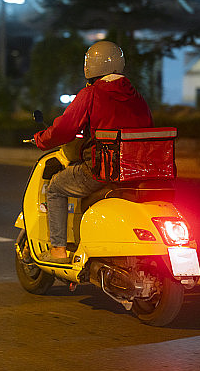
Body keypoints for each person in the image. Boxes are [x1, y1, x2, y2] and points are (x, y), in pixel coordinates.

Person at [32, 40, 153, 263]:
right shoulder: (137, 96)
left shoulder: (92, 94)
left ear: (90, 66)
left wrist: (40, 139)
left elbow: (65, 128)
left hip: (103, 170)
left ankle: (58, 250)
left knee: (56, 187)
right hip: (137, 170)